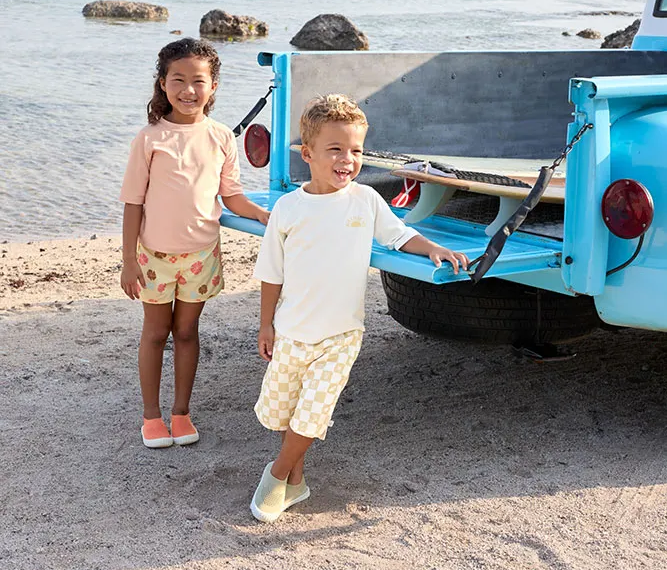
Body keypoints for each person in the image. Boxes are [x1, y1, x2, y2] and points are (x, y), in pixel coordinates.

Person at [250, 93, 469, 521]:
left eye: (356, 150)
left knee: (312, 415)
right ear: (307, 154)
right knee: (284, 412)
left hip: (341, 334)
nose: (347, 160)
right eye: (335, 149)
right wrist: (266, 325)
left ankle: (275, 475)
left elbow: (399, 235)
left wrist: (432, 248)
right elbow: (271, 272)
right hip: (291, 330)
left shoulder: (366, 200)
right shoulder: (288, 209)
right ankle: (297, 482)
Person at [120, 37, 269, 449]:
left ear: (213, 86)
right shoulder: (149, 138)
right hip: (153, 256)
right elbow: (133, 203)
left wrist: (260, 214)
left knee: (186, 333)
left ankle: (181, 412)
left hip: (202, 255)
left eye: (198, 81)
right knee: (155, 333)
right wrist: (129, 260)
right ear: (163, 84)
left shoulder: (221, 137)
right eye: (178, 80)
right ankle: (152, 416)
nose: (189, 90)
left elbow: (231, 196)